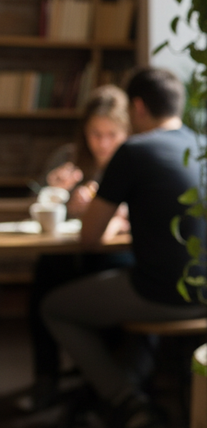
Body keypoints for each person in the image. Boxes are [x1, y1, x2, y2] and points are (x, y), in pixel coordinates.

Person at [41, 67, 207, 428]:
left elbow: (88, 238)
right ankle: (125, 392)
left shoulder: (135, 149)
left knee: (53, 307)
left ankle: (123, 399)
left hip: (161, 292)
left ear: (137, 107)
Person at [26, 86, 134, 411]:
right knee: (45, 278)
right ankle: (47, 378)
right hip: (71, 253)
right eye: (94, 134)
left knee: (102, 275)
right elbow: (39, 210)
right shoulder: (68, 158)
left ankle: (105, 381)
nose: (102, 143)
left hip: (114, 256)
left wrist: (115, 214)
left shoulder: (133, 158)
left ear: (126, 130)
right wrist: (55, 195)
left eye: (110, 134)